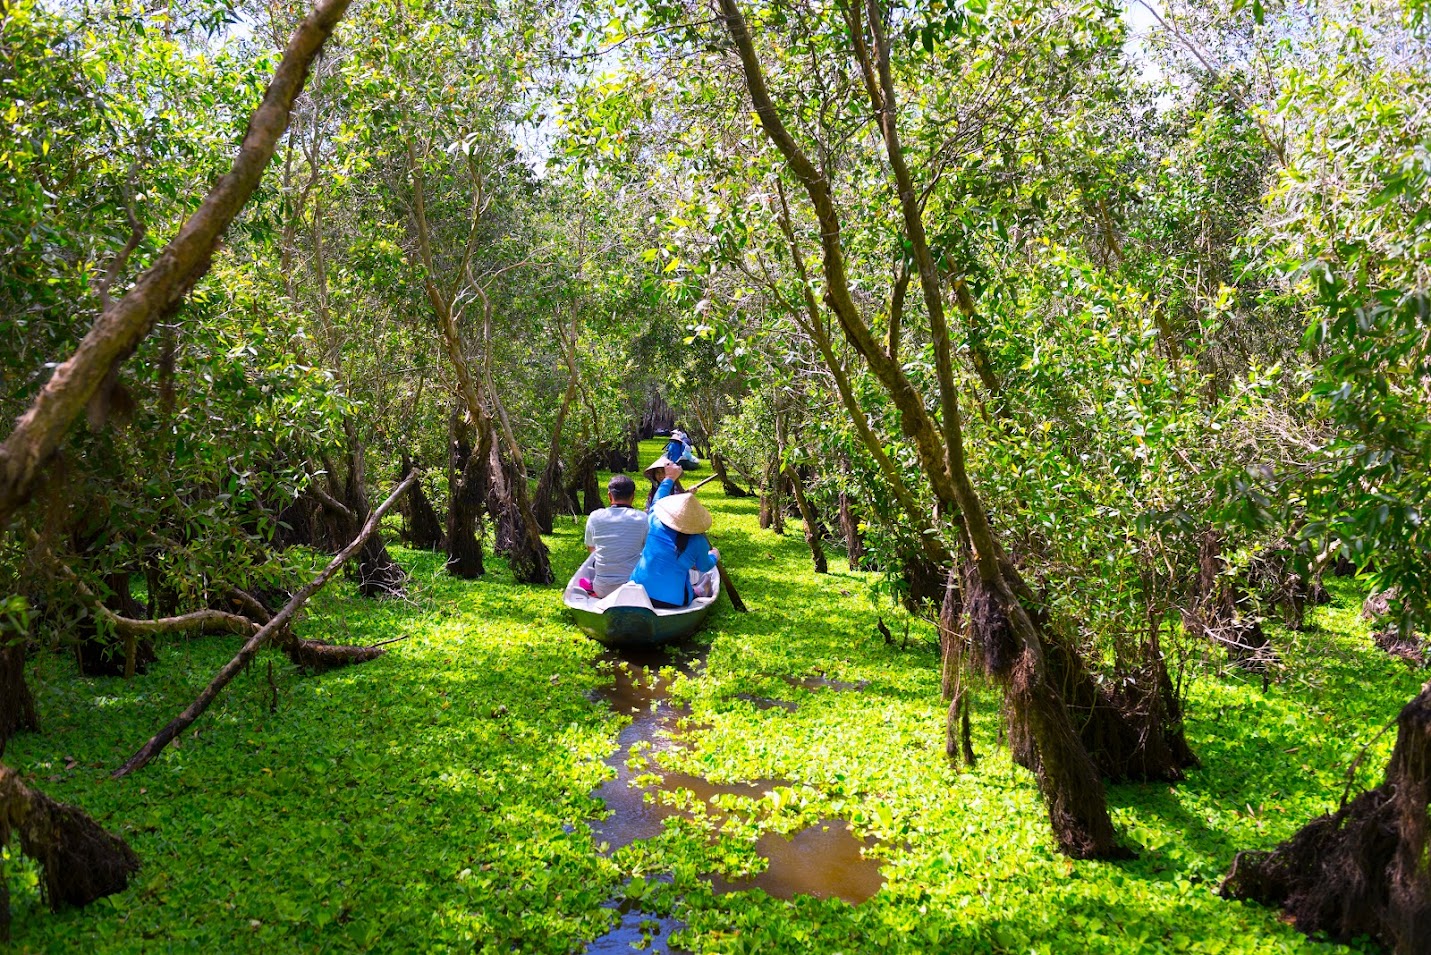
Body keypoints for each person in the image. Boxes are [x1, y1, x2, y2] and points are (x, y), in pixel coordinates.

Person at [631, 463, 718, 608]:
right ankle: (698, 591)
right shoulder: (699, 541)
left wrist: (670, 478)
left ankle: (697, 590)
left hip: (636, 593)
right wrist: (715, 555)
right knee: (693, 588)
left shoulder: (655, 521)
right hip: (672, 601)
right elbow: (704, 565)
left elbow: (657, 502)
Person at [579, 474, 648, 598]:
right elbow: (648, 551)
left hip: (602, 589)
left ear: (610, 496)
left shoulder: (595, 516)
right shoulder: (642, 518)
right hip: (633, 588)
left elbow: (591, 549)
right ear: (633, 496)